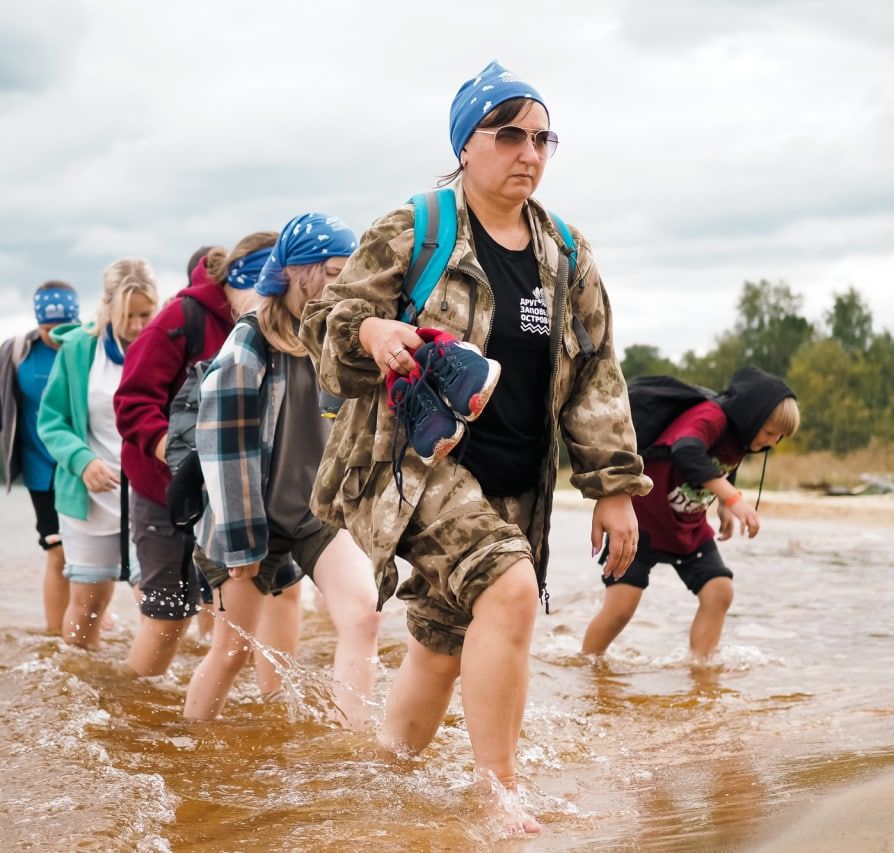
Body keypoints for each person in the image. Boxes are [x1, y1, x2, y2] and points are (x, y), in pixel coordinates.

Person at [300, 60, 651, 832]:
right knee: (510, 586)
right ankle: (498, 793)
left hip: (516, 479)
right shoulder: (416, 227)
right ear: (467, 144)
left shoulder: (565, 252)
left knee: (441, 644)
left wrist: (614, 486)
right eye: (508, 134)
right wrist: (371, 329)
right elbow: (324, 325)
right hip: (410, 467)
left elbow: (596, 371)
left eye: (542, 137)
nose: (529, 151)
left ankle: (378, 781)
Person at [183, 213, 382, 728]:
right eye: (337, 273)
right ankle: (189, 752)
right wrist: (244, 542)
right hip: (248, 521)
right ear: (300, 272)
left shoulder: (339, 337)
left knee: (365, 613)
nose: (347, 285)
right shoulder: (248, 343)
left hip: (316, 512)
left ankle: (354, 744)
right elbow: (222, 447)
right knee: (230, 653)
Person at [114, 237, 274, 676]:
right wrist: (179, 457)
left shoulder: (266, 322)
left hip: (225, 493)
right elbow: (131, 402)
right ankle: (132, 712)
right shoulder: (180, 317)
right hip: (160, 487)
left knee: (230, 614)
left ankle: (229, 715)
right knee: (168, 616)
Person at [582, 367, 799, 659]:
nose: (772, 442)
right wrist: (733, 499)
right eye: (770, 432)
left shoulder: (743, 439)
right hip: (643, 525)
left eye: (780, 437)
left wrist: (722, 505)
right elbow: (686, 450)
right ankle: (587, 662)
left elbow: (723, 464)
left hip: (687, 530)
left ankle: (701, 669)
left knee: (720, 592)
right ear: (752, 416)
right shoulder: (712, 416)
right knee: (620, 608)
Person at [37, 260, 158, 649]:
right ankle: (75, 679)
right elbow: (51, 421)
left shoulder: (164, 344)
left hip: (151, 494)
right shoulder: (77, 349)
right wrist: (82, 460)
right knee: (89, 605)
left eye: (146, 314)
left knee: (157, 604)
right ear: (106, 305)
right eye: (129, 316)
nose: (139, 325)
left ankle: (148, 692)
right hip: (91, 497)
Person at [0, 280, 81, 634]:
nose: (56, 335)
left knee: (89, 557)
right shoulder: (16, 351)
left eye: (64, 327)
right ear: (37, 322)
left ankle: (85, 624)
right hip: (40, 472)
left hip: (83, 469)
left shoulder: (86, 346)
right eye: (49, 328)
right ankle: (58, 638)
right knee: (58, 553)